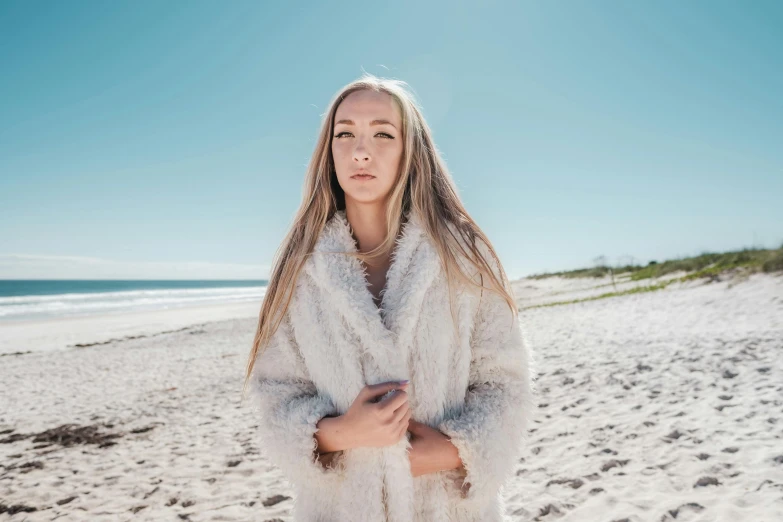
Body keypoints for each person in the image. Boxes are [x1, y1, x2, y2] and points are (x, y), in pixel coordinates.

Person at [242, 73, 535, 522]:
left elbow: (506, 385)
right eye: (345, 134)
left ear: (410, 149)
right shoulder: (300, 270)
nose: (361, 150)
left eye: (382, 133)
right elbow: (276, 395)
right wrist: (342, 433)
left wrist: (453, 451)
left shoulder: (464, 258)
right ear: (329, 151)